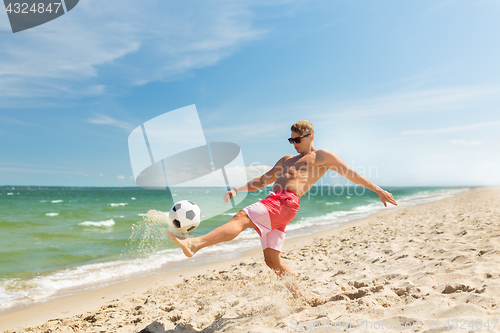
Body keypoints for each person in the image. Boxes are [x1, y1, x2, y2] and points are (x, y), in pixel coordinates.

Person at [168, 120, 397, 296]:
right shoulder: (287, 159)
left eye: (297, 140)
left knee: (242, 217)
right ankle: (300, 298)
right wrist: (237, 189)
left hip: (285, 203)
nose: (294, 144)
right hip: (275, 204)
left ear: (311, 137)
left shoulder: (322, 156)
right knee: (272, 261)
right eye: (291, 140)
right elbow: (264, 179)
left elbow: (352, 174)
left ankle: (194, 244)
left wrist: (378, 190)